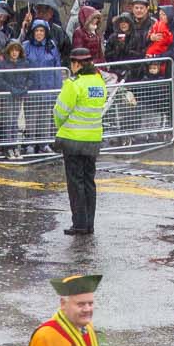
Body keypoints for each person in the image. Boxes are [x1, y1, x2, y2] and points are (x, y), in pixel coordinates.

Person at [53, 46, 105, 236]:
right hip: (93, 139)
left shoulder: (73, 84)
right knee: (89, 182)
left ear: (76, 64)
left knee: (76, 184)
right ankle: (89, 223)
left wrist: (59, 125)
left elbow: (60, 111)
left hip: (73, 140)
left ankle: (80, 224)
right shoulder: (99, 82)